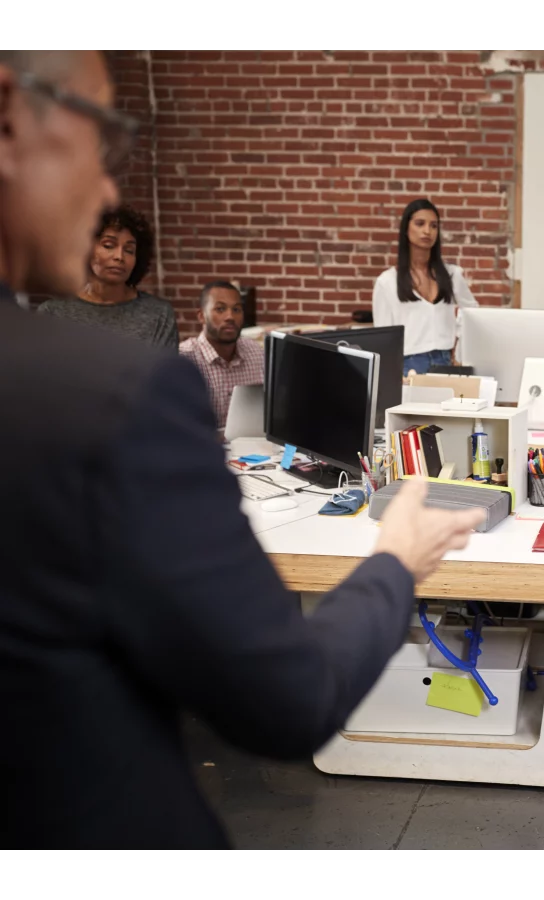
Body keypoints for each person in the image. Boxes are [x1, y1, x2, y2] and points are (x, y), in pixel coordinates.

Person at [0, 49, 485, 855]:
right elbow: (287, 699)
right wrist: (396, 562)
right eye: (102, 136)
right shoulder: (116, 396)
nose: (110, 189)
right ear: (10, 116)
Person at [37, 202, 179, 348]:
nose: (119, 256)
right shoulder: (53, 313)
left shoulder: (158, 315)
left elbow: (165, 364)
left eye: (129, 250)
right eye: (108, 246)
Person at [371, 198, 479, 376]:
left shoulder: (452, 274)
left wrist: (459, 347)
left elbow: (473, 314)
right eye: (420, 224)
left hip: (445, 363)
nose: (427, 231)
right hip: (408, 367)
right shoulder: (387, 281)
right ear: (406, 228)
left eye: (434, 225)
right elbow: (383, 339)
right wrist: (392, 374)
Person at [179, 280, 265, 430]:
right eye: (220, 309)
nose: (230, 316)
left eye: (236, 309)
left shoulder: (256, 353)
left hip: (251, 442)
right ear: (201, 316)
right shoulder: (184, 359)